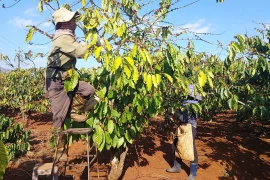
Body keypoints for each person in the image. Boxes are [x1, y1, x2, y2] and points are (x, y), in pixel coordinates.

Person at [45, 7, 96, 161]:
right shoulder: (63, 39)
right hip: (56, 80)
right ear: (65, 22)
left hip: (68, 79)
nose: (75, 22)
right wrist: (94, 41)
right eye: (72, 19)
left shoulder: (68, 36)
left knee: (88, 90)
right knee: (58, 119)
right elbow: (80, 52)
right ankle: (60, 151)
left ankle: (72, 111)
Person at [166, 84, 202, 180]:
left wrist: (175, 112)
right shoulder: (188, 102)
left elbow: (184, 118)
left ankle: (193, 174)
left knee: (191, 149)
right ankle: (177, 167)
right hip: (183, 127)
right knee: (177, 145)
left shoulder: (192, 104)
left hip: (189, 128)